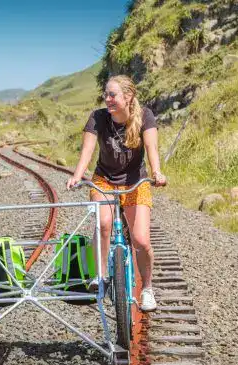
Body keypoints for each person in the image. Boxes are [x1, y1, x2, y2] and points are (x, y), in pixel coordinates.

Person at [66, 75, 167, 312]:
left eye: (112, 95)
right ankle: (100, 277)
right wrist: (78, 175)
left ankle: (147, 289)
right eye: (106, 94)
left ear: (128, 97)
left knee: (141, 240)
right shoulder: (98, 117)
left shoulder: (145, 116)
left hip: (136, 180)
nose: (107, 99)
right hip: (104, 180)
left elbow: (152, 148)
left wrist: (158, 172)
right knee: (103, 224)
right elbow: (87, 151)